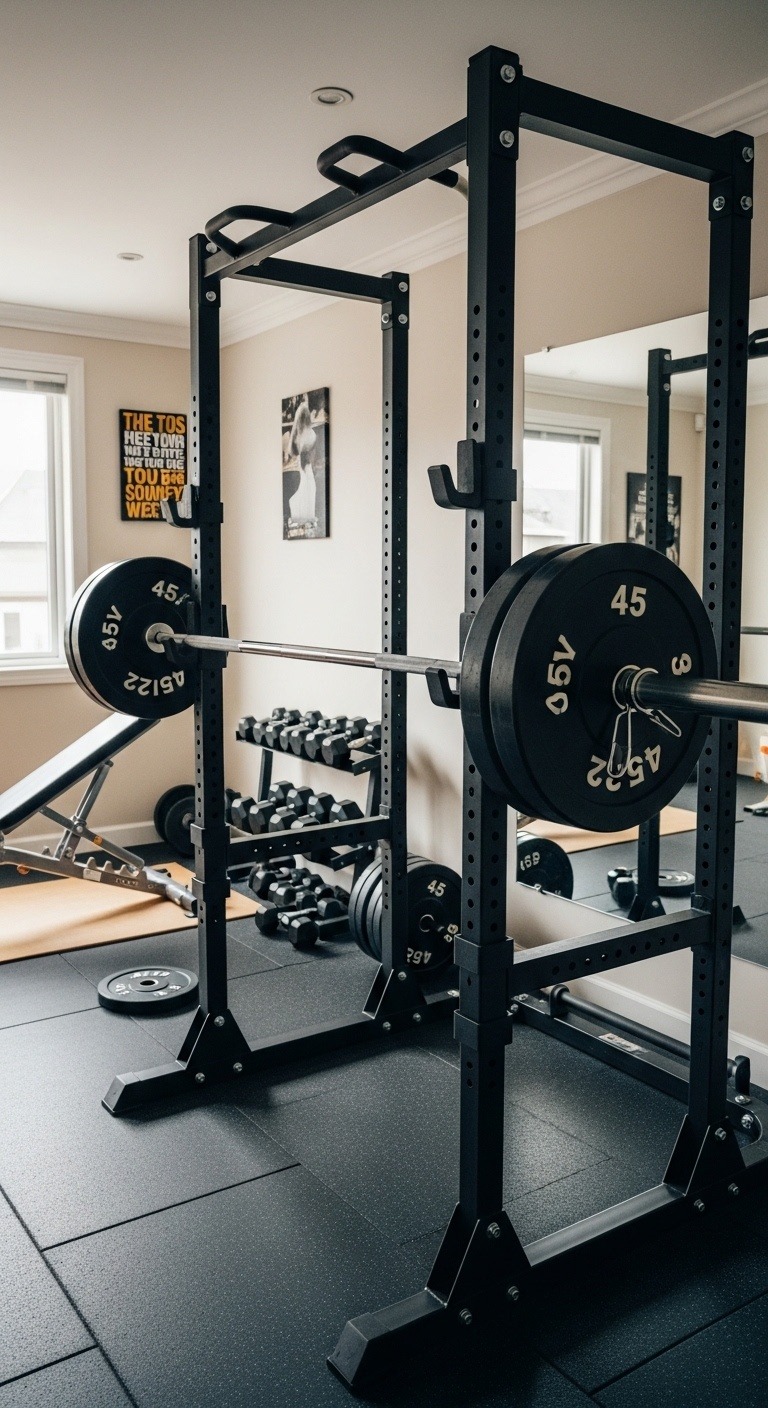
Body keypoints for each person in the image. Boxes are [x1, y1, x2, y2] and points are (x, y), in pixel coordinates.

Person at [288, 394, 317, 525]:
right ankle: (307, 519)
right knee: (309, 492)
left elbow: (292, 452)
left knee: (303, 493)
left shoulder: (296, 438)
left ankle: (301, 519)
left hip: (301, 468)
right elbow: (312, 457)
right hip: (307, 468)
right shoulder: (312, 435)